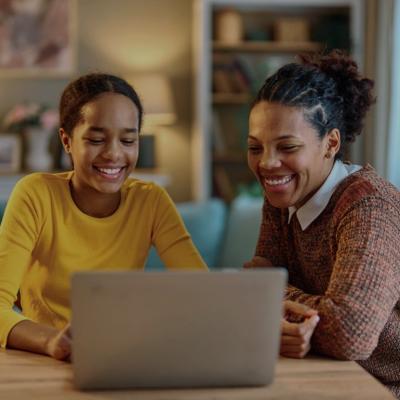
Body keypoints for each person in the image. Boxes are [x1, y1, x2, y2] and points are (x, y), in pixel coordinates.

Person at [0, 73, 207, 361]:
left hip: (121, 356)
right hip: (43, 360)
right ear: (66, 140)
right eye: (96, 139)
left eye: (128, 140)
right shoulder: (35, 194)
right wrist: (54, 342)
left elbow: (204, 292)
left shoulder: (151, 200)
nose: (113, 153)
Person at [244, 50, 400, 398]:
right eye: (255, 147)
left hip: (384, 387)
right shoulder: (282, 196)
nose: (267, 164)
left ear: (331, 143)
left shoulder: (368, 205)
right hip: (324, 375)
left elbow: (349, 334)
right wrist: (277, 302)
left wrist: (276, 295)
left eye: (287, 146)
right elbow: (255, 295)